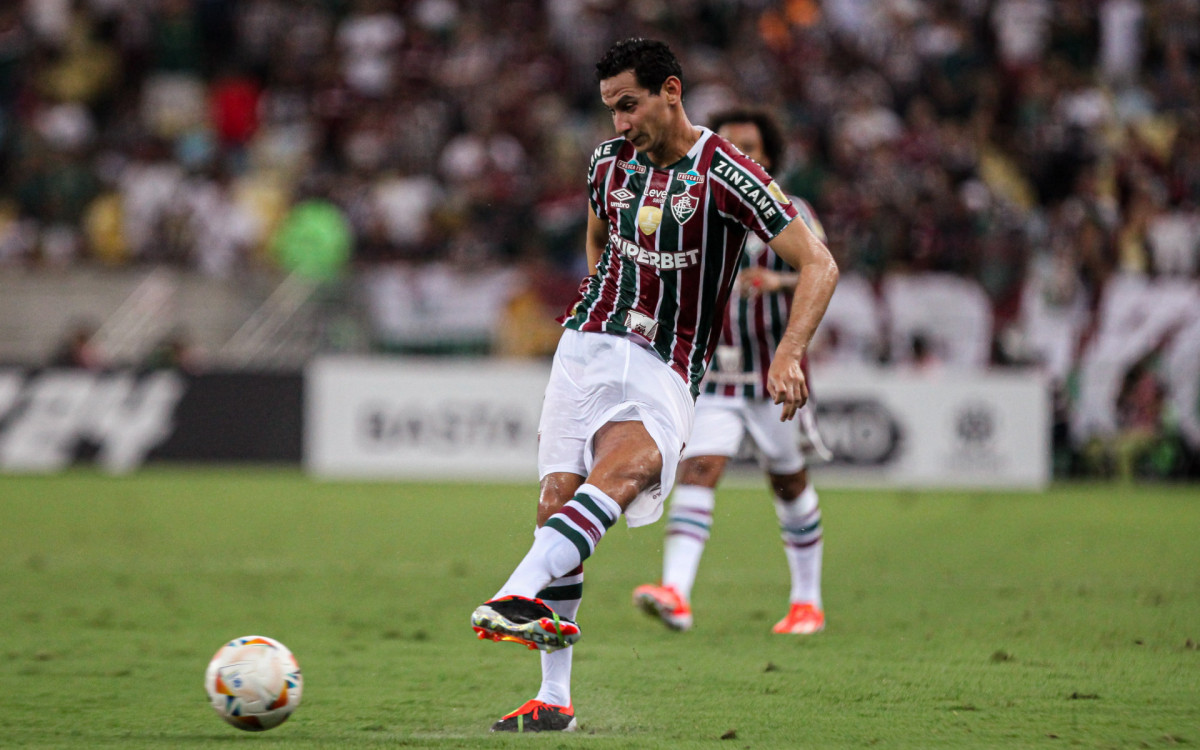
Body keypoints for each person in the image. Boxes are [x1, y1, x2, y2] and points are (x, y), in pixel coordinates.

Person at [469, 38, 839, 733]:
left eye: (629, 105)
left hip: (667, 359)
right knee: (555, 503)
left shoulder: (729, 171)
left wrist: (789, 354)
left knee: (629, 469)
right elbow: (598, 239)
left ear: (671, 91)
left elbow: (819, 263)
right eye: (611, 109)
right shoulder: (607, 163)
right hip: (585, 346)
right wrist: (603, 303)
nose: (620, 123)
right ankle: (554, 700)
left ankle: (517, 591)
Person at [632, 108, 832, 636]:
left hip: (772, 372)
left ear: (769, 157)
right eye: (731, 144)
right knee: (699, 469)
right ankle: (676, 593)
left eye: (752, 147)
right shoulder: (695, 204)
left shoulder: (793, 210)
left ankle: (806, 601)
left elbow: (824, 268)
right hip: (714, 375)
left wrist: (777, 283)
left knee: (788, 481)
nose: (740, 154)